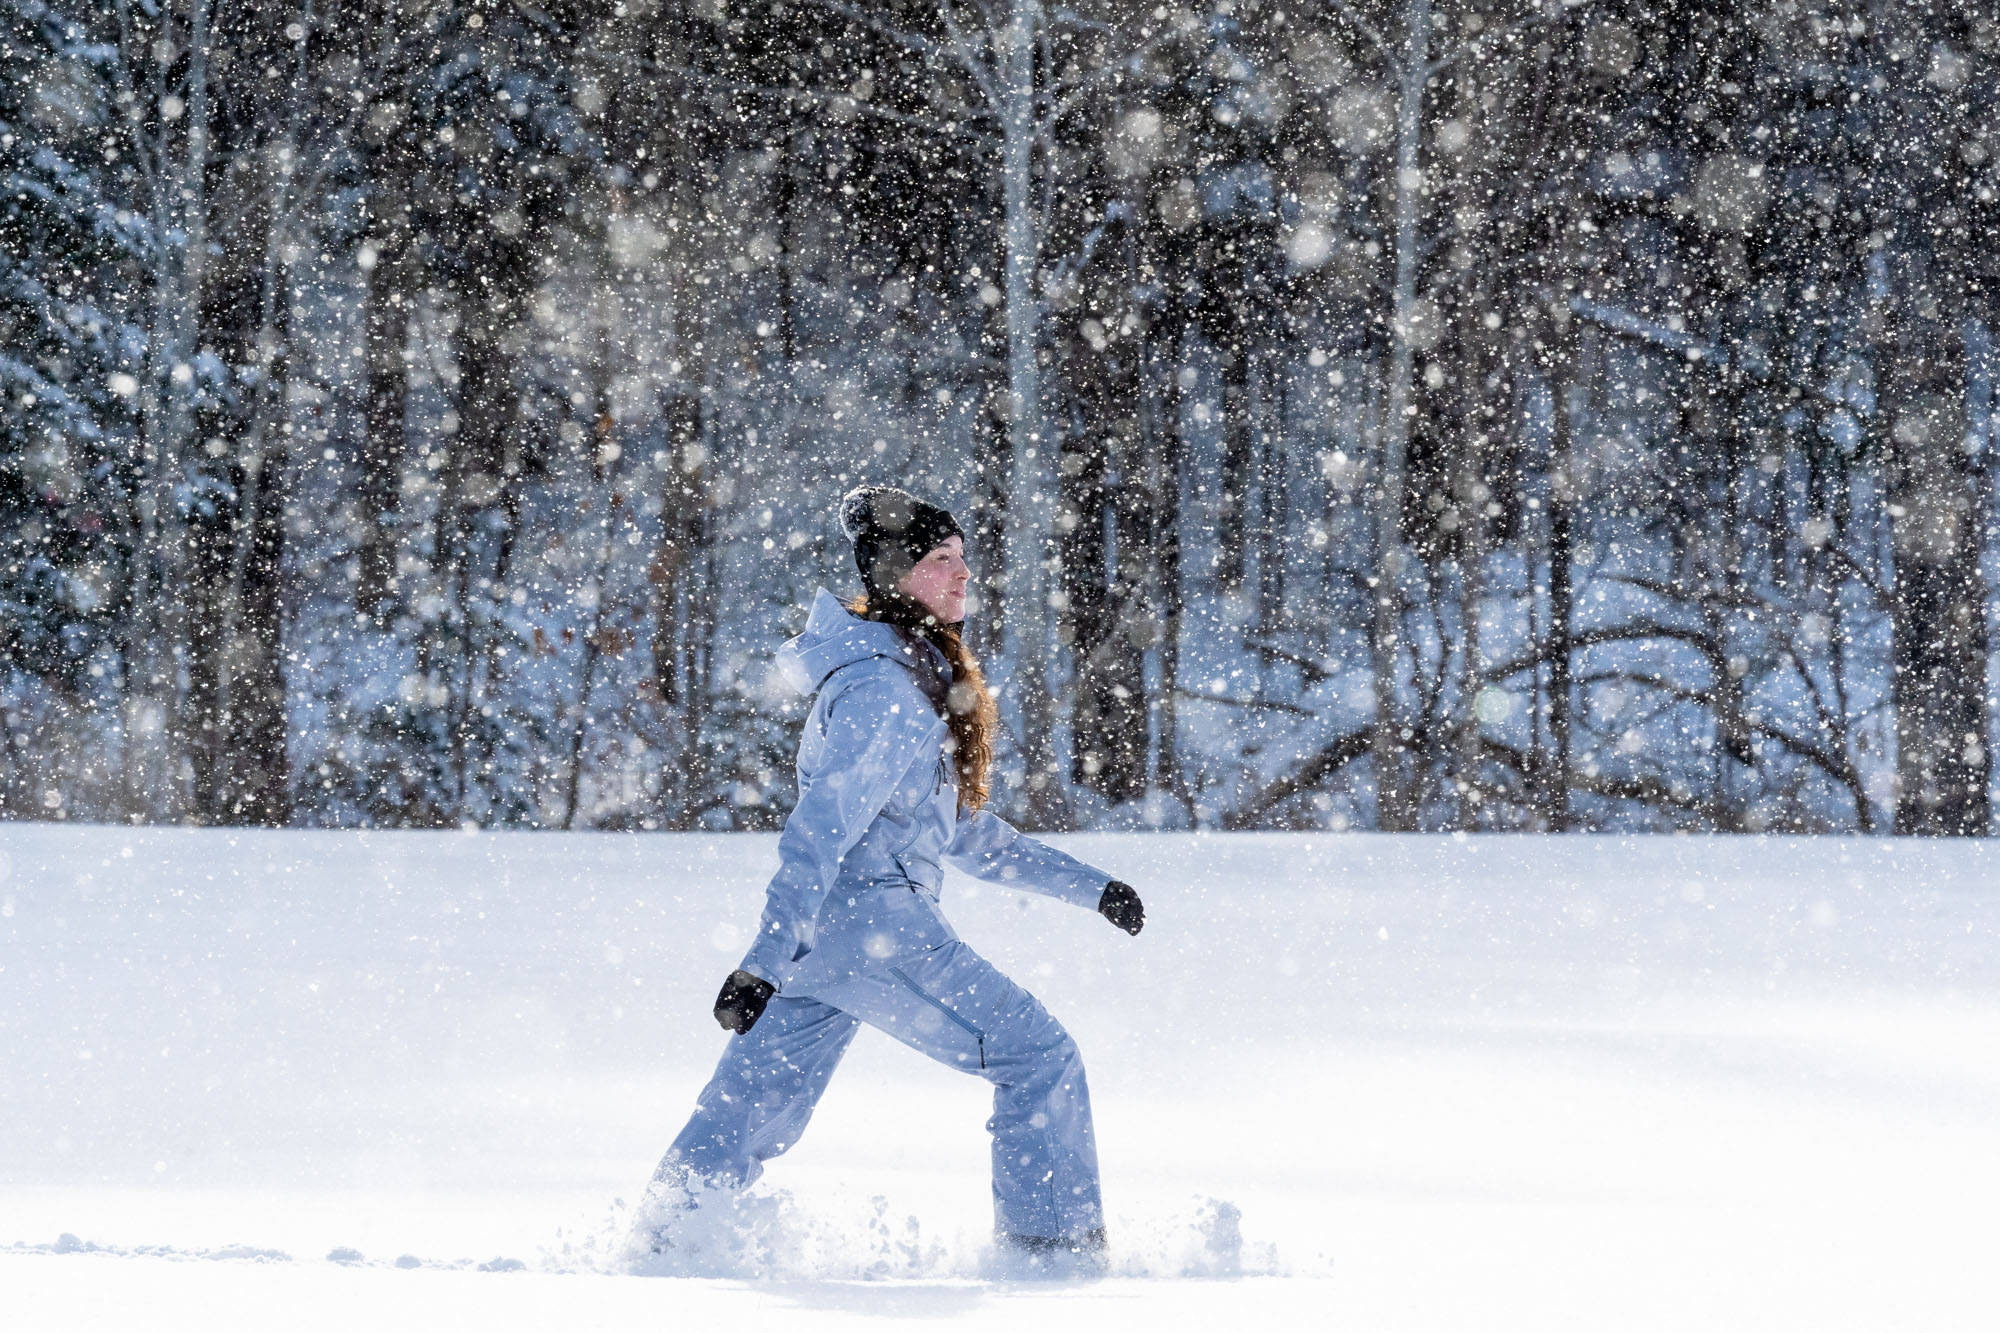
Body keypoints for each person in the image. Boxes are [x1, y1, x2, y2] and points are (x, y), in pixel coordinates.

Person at [641, 484, 1147, 1275]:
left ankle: (664, 1244)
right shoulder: (886, 694)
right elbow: (820, 832)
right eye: (940, 560)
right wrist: (761, 961)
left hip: (827, 944)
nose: (962, 573)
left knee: (749, 1107)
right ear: (894, 576)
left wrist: (1092, 887)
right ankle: (1056, 1261)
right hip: (880, 934)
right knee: (1040, 1058)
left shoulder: (901, 677)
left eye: (963, 557)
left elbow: (965, 834)